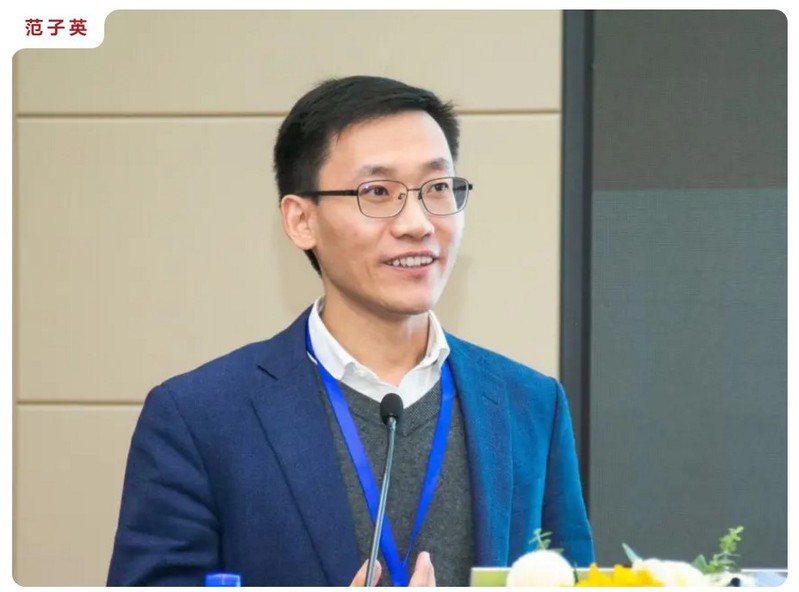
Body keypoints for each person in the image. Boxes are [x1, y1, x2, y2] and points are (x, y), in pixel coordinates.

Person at [107, 75, 593, 587]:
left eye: (437, 188)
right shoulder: (200, 417)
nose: (417, 223)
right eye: (377, 192)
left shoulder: (529, 404)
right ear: (301, 221)